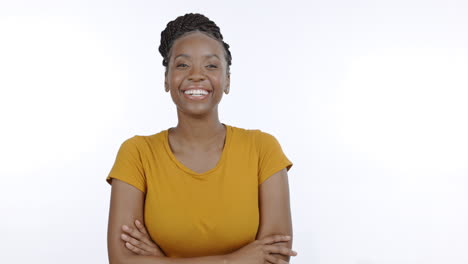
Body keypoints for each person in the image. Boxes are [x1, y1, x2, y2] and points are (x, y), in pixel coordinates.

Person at [106, 13, 297, 264]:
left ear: (227, 81)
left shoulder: (263, 150)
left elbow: (275, 258)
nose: (196, 75)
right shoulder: (137, 153)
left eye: (211, 65)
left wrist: (159, 260)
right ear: (166, 79)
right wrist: (236, 260)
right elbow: (122, 261)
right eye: (183, 65)